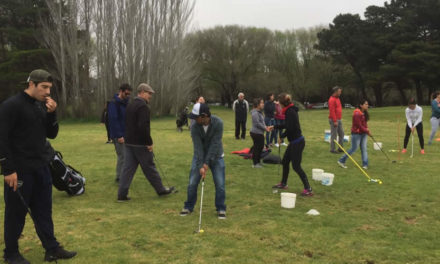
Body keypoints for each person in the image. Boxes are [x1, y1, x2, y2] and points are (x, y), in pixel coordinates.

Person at [0, 69, 76, 264]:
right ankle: (11, 253)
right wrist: (7, 169)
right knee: (16, 213)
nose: (47, 92)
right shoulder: (11, 106)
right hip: (20, 170)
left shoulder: (42, 106)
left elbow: (51, 134)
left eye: (49, 88)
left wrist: (52, 114)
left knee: (44, 210)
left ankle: (52, 249)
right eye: (44, 87)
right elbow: (2, 138)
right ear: (31, 84)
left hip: (42, 167)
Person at [117, 83, 175, 201]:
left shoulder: (130, 104)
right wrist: (149, 142)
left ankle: (122, 195)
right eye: (149, 93)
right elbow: (143, 127)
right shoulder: (143, 107)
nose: (150, 96)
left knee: (127, 169)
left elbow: (127, 124)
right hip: (140, 143)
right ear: (142, 92)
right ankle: (161, 190)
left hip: (129, 142)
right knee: (149, 167)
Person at [180, 103, 227, 219]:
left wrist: (206, 163)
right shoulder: (195, 126)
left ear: (204, 116)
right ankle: (188, 206)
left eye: (196, 117)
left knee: (220, 184)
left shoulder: (218, 123)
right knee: (192, 183)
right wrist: (201, 164)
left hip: (216, 156)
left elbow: (215, 144)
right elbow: (198, 147)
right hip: (199, 156)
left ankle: (221, 208)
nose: (194, 119)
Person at [272, 93, 313, 196]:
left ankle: (308, 188)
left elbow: (290, 128)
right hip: (294, 142)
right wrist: (275, 127)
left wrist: (282, 137)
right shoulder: (289, 110)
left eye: (279, 103)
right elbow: (287, 125)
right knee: (285, 162)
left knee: (296, 166)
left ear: (282, 104)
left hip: (297, 142)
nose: (279, 105)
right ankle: (283, 183)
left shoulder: (290, 112)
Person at [108, 83, 132, 182]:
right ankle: (120, 177)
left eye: (129, 94)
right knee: (123, 156)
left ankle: (120, 176)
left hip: (126, 134)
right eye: (126, 93)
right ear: (121, 91)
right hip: (119, 135)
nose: (127, 96)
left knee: (125, 156)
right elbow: (114, 120)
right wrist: (119, 136)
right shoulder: (113, 103)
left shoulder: (126, 103)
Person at [337, 100, 371, 169]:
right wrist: (367, 131)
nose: (367, 105)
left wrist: (367, 130)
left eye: (367, 104)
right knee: (353, 148)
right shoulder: (357, 114)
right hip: (356, 134)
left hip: (363, 133)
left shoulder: (364, 113)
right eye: (366, 104)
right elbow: (359, 126)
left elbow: (364, 124)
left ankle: (365, 164)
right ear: (361, 105)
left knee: (364, 148)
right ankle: (341, 160)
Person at [250, 98, 273, 168]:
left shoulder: (259, 112)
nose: (263, 104)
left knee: (260, 148)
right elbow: (257, 123)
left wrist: (267, 127)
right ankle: (255, 164)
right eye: (261, 103)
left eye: (263, 103)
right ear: (257, 104)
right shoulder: (255, 113)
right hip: (256, 133)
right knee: (257, 148)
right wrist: (266, 128)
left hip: (259, 133)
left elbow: (261, 123)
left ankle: (258, 162)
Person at [328, 86, 344, 153]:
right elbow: (332, 111)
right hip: (334, 120)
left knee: (341, 134)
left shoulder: (338, 99)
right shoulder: (331, 100)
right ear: (335, 92)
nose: (340, 93)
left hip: (339, 119)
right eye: (339, 91)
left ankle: (340, 148)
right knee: (334, 135)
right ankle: (332, 149)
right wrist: (335, 121)